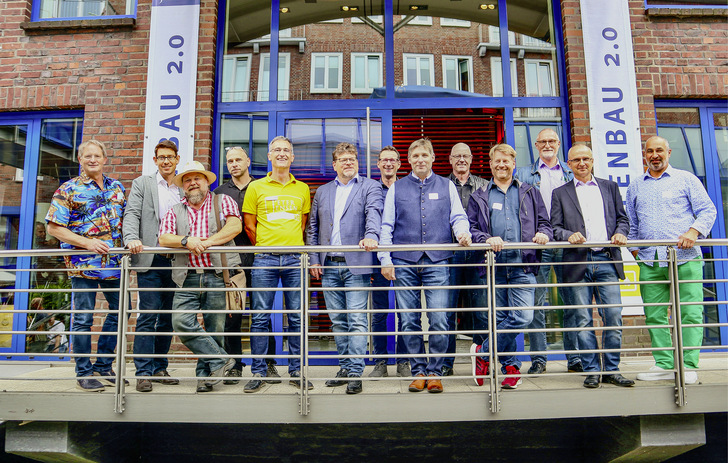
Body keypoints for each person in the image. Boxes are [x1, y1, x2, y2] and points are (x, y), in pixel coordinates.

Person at [379, 138, 472, 394]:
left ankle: (436, 371)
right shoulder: (397, 188)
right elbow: (386, 226)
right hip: (403, 262)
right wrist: (385, 259)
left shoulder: (446, 185)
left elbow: (458, 216)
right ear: (408, 160)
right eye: (415, 155)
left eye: (425, 155)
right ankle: (418, 370)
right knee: (408, 320)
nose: (420, 159)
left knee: (440, 319)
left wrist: (463, 234)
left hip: (439, 260)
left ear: (433, 158)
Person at [627, 136, 716, 385]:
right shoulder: (636, 185)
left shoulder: (686, 179)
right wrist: (635, 252)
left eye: (659, 150)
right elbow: (632, 224)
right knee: (654, 314)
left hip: (685, 258)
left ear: (669, 152)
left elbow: (708, 210)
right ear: (644, 154)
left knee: (690, 312)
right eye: (650, 151)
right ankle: (665, 364)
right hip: (649, 260)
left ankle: (687, 365)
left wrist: (693, 232)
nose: (655, 155)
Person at [468, 143, 552, 389]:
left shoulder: (530, 192)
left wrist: (543, 234)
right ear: (491, 164)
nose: (502, 165)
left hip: (523, 266)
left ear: (513, 164)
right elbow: (473, 230)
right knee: (501, 319)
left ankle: (483, 353)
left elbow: (545, 223)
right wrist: (486, 239)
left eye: (507, 161)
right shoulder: (480, 195)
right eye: (497, 161)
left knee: (523, 317)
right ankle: (511, 368)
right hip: (493, 267)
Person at [550, 144, 634, 389]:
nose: (582, 163)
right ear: (568, 163)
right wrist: (568, 235)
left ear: (593, 160)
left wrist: (620, 232)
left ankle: (612, 369)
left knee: (614, 317)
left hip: (607, 259)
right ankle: (591, 370)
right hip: (578, 261)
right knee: (583, 319)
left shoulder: (609, 187)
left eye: (586, 158)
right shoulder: (560, 193)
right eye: (576, 160)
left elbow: (622, 219)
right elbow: (554, 228)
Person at [46, 139, 127, 392]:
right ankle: (83, 371)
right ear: (80, 160)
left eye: (97, 156)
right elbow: (54, 228)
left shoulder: (117, 188)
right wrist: (88, 243)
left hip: (114, 263)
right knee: (83, 319)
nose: (92, 160)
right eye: (87, 156)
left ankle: (104, 365)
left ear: (105, 159)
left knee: (121, 313)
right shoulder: (68, 189)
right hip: (83, 265)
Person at [307, 142, 383, 394]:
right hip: (328, 265)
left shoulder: (369, 187)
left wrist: (371, 235)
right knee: (338, 320)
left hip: (356, 265)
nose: (349, 162)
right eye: (343, 159)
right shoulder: (323, 191)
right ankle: (345, 365)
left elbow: (374, 214)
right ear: (334, 164)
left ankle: (355, 372)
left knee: (357, 320)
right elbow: (313, 228)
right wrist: (314, 258)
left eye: (352, 158)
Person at [158, 161, 240, 393]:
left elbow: (235, 226)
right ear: (183, 186)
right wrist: (186, 241)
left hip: (217, 275)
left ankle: (205, 378)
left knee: (215, 328)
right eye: (187, 180)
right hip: (187, 277)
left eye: (197, 178)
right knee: (181, 322)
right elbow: (164, 238)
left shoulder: (222, 201)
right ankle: (223, 360)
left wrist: (208, 243)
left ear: (206, 182)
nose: (193, 183)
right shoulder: (175, 209)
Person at [241, 136, 312, 393]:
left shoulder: (302, 188)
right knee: (260, 317)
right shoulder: (256, 187)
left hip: (295, 258)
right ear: (269, 156)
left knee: (296, 317)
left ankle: (296, 371)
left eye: (286, 151)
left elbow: (302, 224)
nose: (282, 154)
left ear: (292, 157)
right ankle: (258, 372)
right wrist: (268, 245)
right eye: (277, 150)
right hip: (265, 258)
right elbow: (249, 225)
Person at [514, 128, 580, 375]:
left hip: (567, 242)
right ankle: (539, 359)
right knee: (536, 303)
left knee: (571, 301)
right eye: (543, 141)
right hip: (538, 243)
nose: (548, 145)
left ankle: (574, 358)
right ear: (536, 144)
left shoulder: (571, 171)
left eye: (552, 141)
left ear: (559, 144)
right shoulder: (522, 174)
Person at [213, 146, 280, 385]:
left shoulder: (262, 187)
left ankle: (269, 363)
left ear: (248, 161)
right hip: (232, 262)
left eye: (238, 159)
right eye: (229, 160)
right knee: (232, 315)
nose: (233, 164)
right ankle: (235, 365)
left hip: (260, 259)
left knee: (262, 314)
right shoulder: (219, 193)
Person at [123, 140, 182, 393]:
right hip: (150, 258)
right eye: (161, 157)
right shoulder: (142, 183)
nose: (166, 161)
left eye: (170, 157)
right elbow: (132, 214)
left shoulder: (183, 185)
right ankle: (143, 372)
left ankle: (159, 367)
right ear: (155, 160)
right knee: (148, 316)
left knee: (168, 317)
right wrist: (130, 238)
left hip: (177, 261)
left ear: (177, 159)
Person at [444, 142, 487, 376]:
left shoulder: (484, 186)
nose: (461, 159)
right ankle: (445, 363)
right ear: (450, 160)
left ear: (471, 159)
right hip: (449, 255)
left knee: (481, 309)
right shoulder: (441, 184)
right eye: (456, 156)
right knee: (447, 310)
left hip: (478, 255)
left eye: (465, 156)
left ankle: (483, 359)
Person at [369, 146, 411, 379]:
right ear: (378, 164)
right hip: (378, 260)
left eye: (392, 160)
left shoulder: (406, 188)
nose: (388, 164)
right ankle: (380, 361)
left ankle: (404, 360)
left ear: (399, 164)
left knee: (406, 312)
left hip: (404, 257)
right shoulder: (370, 189)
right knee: (379, 312)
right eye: (384, 160)